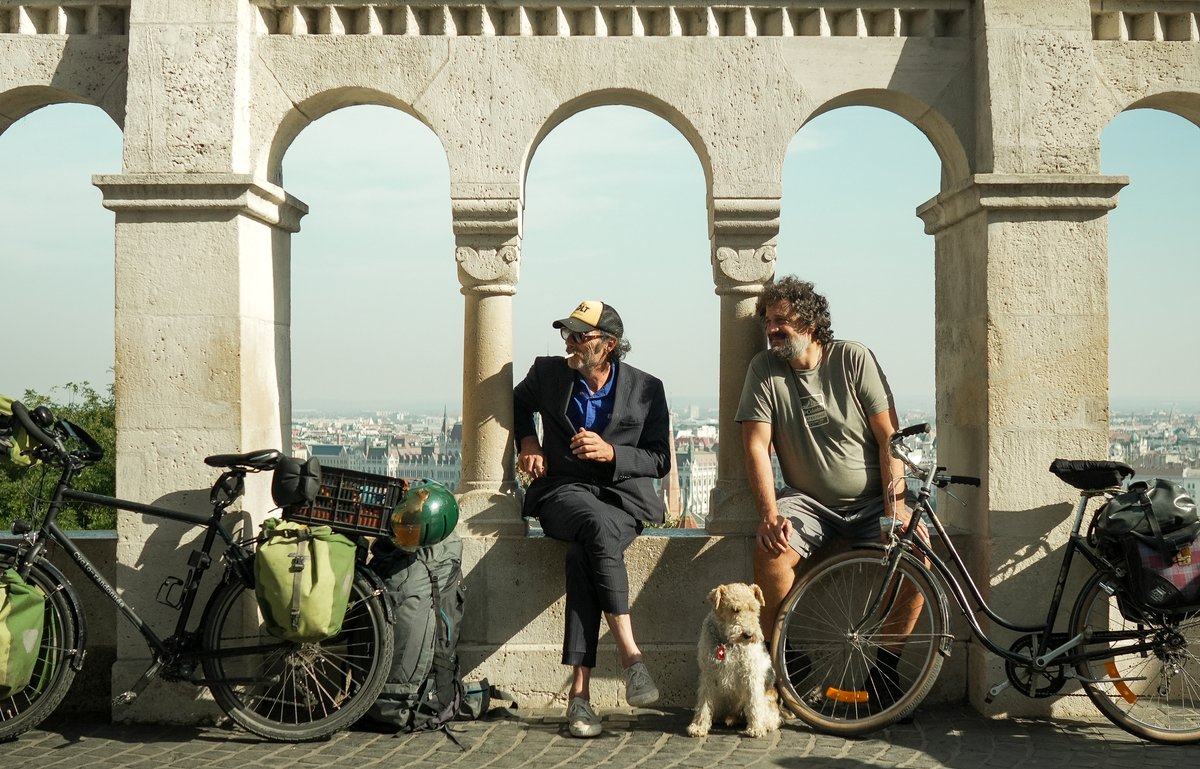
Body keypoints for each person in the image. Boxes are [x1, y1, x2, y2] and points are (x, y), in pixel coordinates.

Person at [735, 276, 925, 707]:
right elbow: (755, 446)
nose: (771, 329)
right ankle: (787, 659)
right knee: (771, 550)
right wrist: (769, 513)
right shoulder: (764, 369)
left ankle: (885, 670)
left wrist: (895, 509)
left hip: (875, 498)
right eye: (768, 321)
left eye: (782, 320)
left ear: (813, 321)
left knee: (920, 556)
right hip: (808, 501)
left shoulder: (853, 358)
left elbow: (888, 439)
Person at [513, 299, 671, 738]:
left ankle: (579, 698)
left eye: (580, 336)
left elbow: (660, 460)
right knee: (593, 528)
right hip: (564, 491)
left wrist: (612, 453)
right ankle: (631, 658)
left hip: (622, 499)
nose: (569, 342)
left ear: (609, 346)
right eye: (567, 333)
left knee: (585, 552)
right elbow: (517, 403)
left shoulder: (647, 388)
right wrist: (528, 441)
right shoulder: (547, 373)